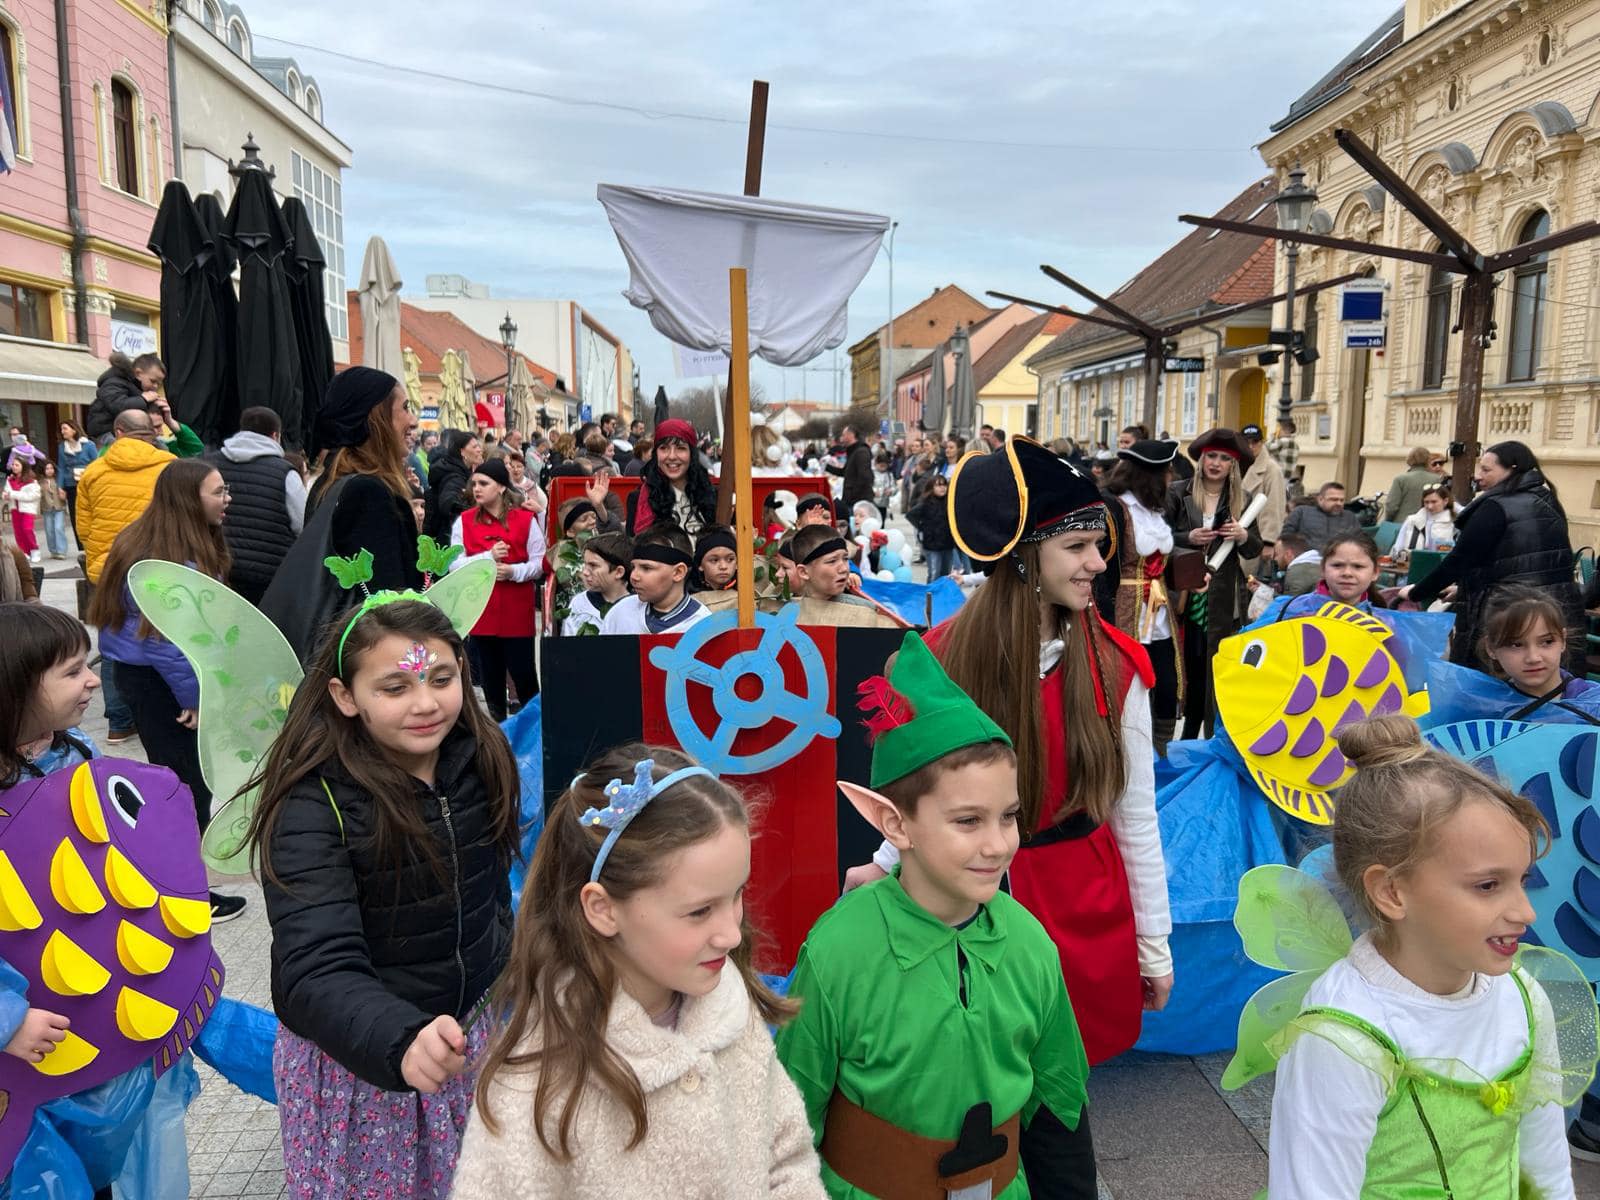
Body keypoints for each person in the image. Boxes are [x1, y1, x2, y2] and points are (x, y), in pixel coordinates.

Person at [849, 437, 1171, 1088]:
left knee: (1058, 1097)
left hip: (1081, 897)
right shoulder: (939, 659)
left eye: (1098, 545)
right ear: (1025, 556)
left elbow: (1136, 816)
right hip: (963, 893)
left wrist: (1154, 945)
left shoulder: (1116, 667)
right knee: (965, 1089)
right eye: (1077, 547)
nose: (1098, 563)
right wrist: (884, 861)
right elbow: (918, 790)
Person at [778, 634, 1092, 1198]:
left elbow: (1058, 1107)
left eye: (1008, 816)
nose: (998, 844)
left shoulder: (1030, 944)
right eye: (968, 821)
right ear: (896, 824)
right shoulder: (837, 952)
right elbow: (789, 1118)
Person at [450, 746, 823, 1198]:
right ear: (603, 909)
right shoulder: (534, 1087)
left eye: (737, 894)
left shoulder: (729, 1012)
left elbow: (786, 1158)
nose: (731, 934)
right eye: (700, 911)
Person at [244, 594, 519, 1200]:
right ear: (345, 697)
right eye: (395, 687)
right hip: (370, 1061)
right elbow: (314, 967)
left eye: (441, 678)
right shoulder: (313, 804)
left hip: (471, 1042)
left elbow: (492, 896)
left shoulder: (481, 759)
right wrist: (398, 1038)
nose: (426, 703)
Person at [1263, 714, 1579, 1200]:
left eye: (1523, 879)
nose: (1525, 912)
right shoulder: (1345, 1039)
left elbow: (1546, 1164)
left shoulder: (1523, 994)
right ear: (1391, 891)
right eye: (1488, 885)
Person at [86, 458, 246, 922]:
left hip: (148, 676)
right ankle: (188, 895)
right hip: (163, 682)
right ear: (189, 500)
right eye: (218, 491)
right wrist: (192, 698)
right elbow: (168, 643)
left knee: (177, 781)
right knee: (184, 785)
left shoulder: (150, 539)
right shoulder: (168, 557)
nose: (227, 499)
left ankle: (178, 883)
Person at [1398, 441, 1582, 671]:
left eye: (1486, 470)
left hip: (1509, 611)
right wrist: (1465, 588)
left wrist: (1416, 592)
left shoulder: (1495, 506)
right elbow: (1523, 561)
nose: (1478, 476)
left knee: (1496, 679)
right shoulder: (1547, 499)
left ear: (1511, 469)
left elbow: (1460, 559)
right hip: (1553, 611)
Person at [74, 407, 179, 746]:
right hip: (159, 566)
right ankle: (170, 707)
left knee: (114, 640)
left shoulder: (94, 471)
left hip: (108, 569)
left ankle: (118, 722)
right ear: (151, 431)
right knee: (164, 637)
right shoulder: (169, 467)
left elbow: (83, 527)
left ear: (118, 432)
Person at [1166, 428, 1262, 738]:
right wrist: (1188, 538)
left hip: (1222, 596)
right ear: (1202, 459)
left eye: (1224, 458)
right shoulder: (1178, 492)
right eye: (1211, 456)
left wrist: (1243, 536)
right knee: (1189, 663)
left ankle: (1213, 735)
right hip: (1185, 590)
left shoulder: (1243, 499)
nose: (1216, 463)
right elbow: (1158, 536)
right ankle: (1187, 733)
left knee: (1216, 665)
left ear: (1233, 465)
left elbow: (1254, 548)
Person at [307, 366, 426, 593]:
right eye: (405, 408)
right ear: (377, 419)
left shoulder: (329, 482)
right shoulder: (367, 492)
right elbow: (386, 598)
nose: (413, 420)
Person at [450, 456, 544, 721]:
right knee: (491, 683)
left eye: (484, 483)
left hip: (517, 612)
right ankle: (498, 734)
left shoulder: (524, 519)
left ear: (501, 487)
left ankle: (536, 733)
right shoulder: (464, 521)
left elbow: (539, 563)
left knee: (525, 678)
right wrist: (487, 558)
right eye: (474, 484)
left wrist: (514, 572)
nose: (476, 489)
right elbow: (454, 565)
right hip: (482, 611)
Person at [1104, 440, 1181, 756]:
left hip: (1158, 608)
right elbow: (1106, 567)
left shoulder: (1158, 511)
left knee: (1167, 683)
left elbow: (1162, 561)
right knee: (1129, 683)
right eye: (1167, 472)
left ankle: (1161, 751)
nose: (1171, 478)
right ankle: (1126, 751)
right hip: (1126, 609)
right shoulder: (1116, 509)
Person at [210, 405, 308, 606]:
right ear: (275, 435)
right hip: (269, 577)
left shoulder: (208, 464)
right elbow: (303, 524)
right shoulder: (286, 473)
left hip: (217, 568)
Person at [600, 524, 710, 635]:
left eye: (646, 568)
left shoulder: (703, 627)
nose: (633, 576)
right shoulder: (621, 612)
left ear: (678, 572)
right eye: (633, 567)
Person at [1264, 532, 1387, 620]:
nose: (1347, 573)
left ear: (1375, 572)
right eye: (1337, 565)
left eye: (1358, 566)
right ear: (1322, 569)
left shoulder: (1385, 622)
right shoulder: (1287, 609)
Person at [626, 419, 716, 536]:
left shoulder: (710, 496)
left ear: (692, 454)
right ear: (656, 454)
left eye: (680, 448)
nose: (672, 456)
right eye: (664, 448)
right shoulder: (637, 499)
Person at [788, 524, 875, 611]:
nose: (844, 569)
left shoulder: (863, 611)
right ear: (803, 572)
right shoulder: (785, 612)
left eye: (845, 558)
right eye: (832, 561)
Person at [562, 532, 632, 635]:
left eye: (593, 565)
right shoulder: (579, 604)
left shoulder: (636, 607)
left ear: (618, 572)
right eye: (585, 564)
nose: (585, 572)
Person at [85, 351, 164, 441]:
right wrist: (143, 399)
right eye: (153, 381)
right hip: (106, 431)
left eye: (158, 384)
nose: (155, 386)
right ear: (138, 374)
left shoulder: (135, 387)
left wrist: (157, 407)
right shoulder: (114, 382)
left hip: (125, 432)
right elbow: (117, 405)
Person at [424, 430, 483, 542]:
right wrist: (472, 508)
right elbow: (448, 502)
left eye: (479, 446)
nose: (479, 450)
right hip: (450, 539)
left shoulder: (461, 471)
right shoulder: (455, 477)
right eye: (475, 447)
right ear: (462, 452)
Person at [1239, 423, 1286, 553]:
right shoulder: (1233, 464)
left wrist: (1268, 541)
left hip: (1256, 538)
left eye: (1255, 442)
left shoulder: (1272, 469)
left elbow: (1274, 507)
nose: (1250, 446)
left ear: (1262, 442)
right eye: (1246, 442)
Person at [907, 472, 960, 580]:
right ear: (932, 487)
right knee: (934, 573)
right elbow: (911, 515)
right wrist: (921, 526)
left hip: (947, 542)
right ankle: (931, 591)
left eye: (944, 485)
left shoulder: (950, 502)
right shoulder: (926, 503)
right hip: (932, 544)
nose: (942, 488)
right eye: (938, 485)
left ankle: (942, 590)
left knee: (946, 573)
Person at [1280, 481, 1360, 548]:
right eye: (1334, 499)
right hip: (1306, 558)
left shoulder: (1350, 517)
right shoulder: (1301, 512)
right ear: (1320, 499)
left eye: (1342, 500)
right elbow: (1286, 537)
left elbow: (1360, 541)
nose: (1339, 503)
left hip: (1340, 558)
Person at [1391, 480, 1455, 560]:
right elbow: (1397, 548)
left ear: (1445, 501)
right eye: (1426, 502)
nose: (1430, 506)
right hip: (1411, 564)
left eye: (1434, 502)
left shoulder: (1453, 524)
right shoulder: (1411, 520)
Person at [1382, 446, 1441, 524]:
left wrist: (1387, 521)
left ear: (1409, 459)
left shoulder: (1400, 479)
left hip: (1401, 524)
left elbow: (1391, 506)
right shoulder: (1436, 479)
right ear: (1428, 460)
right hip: (1426, 524)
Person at [55, 419, 95, 528]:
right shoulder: (62, 447)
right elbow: (61, 468)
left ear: (74, 430)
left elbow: (96, 464)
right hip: (71, 485)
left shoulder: (88, 445)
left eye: (65, 429)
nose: (62, 431)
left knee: (88, 513)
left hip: (87, 484)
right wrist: (60, 486)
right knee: (75, 516)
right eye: (61, 429)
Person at [5, 456, 40, 565]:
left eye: (17, 465)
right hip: (15, 508)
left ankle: (34, 549)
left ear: (23, 466)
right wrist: (5, 495)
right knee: (18, 532)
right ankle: (24, 551)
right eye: (13, 465)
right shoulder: (10, 480)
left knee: (27, 529)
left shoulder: (31, 480)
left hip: (27, 509)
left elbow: (33, 496)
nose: (14, 467)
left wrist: (13, 494)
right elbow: (7, 492)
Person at [692, 525, 737, 593]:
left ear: (737, 564)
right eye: (714, 560)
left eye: (730, 559)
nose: (723, 566)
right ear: (700, 565)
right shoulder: (688, 596)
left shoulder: (747, 591)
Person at [38, 461, 69, 559]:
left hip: (59, 507)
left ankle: (61, 551)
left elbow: (65, 492)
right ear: (43, 470)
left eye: (51, 468)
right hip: (47, 508)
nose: (50, 470)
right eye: (47, 468)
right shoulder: (40, 482)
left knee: (59, 528)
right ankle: (53, 551)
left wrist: (64, 495)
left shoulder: (59, 480)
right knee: (49, 530)